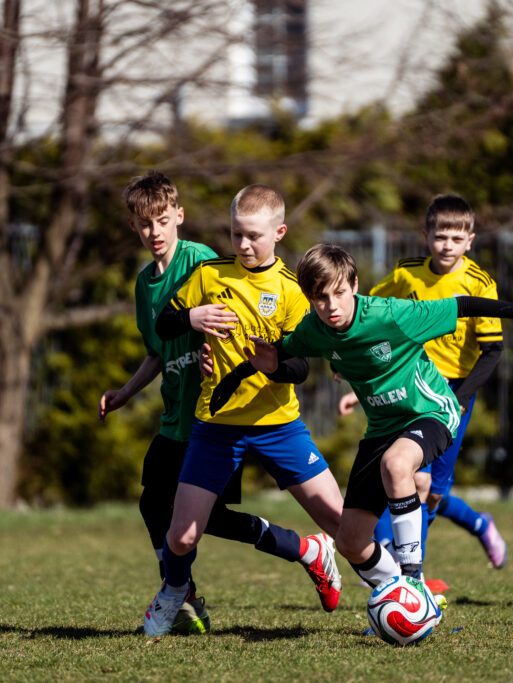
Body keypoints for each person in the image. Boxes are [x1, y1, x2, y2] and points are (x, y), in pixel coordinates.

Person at [214, 243, 513, 600]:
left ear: (355, 285)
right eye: (320, 297)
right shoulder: (315, 330)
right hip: (382, 429)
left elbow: (464, 305)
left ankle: (414, 584)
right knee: (350, 542)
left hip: (431, 412)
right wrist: (236, 376)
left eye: (339, 293)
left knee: (397, 465)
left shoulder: (390, 315)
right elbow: (280, 353)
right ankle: (401, 598)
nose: (331, 306)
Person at [100, 174, 337, 635]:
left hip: (217, 414)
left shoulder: (203, 261)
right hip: (178, 411)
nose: (154, 232)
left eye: (162, 221)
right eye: (145, 224)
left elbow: (235, 317)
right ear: (133, 226)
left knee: (195, 516)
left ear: (179, 217)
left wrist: (216, 352)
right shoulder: (145, 284)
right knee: (156, 504)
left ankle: (197, 590)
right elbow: (159, 348)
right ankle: (187, 592)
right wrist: (126, 392)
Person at [339, 194, 507, 578]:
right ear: (425, 236)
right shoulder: (406, 274)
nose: (447, 245)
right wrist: (353, 368)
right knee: (408, 478)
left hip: (453, 392)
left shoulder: (479, 283)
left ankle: (477, 525)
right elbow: (367, 312)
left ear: (470, 241)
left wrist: (460, 398)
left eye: (456, 238)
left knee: (431, 491)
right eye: (440, 237)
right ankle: (409, 578)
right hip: (410, 382)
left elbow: (493, 351)